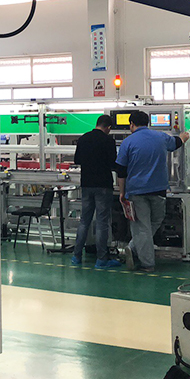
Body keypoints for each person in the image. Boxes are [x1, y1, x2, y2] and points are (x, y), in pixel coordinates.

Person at [115, 110, 190, 272]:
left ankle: (146, 262)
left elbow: (121, 171)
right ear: (147, 123)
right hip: (159, 189)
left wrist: (122, 192)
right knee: (155, 221)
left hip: (137, 191)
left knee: (142, 227)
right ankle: (134, 248)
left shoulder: (127, 142)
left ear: (131, 124)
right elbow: (177, 143)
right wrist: (184, 137)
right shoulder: (161, 137)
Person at [71, 114, 123, 269]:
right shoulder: (108, 141)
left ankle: (76, 256)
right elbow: (113, 163)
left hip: (86, 184)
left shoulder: (83, 138)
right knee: (102, 222)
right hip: (103, 186)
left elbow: (77, 160)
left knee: (84, 221)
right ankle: (101, 259)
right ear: (108, 127)